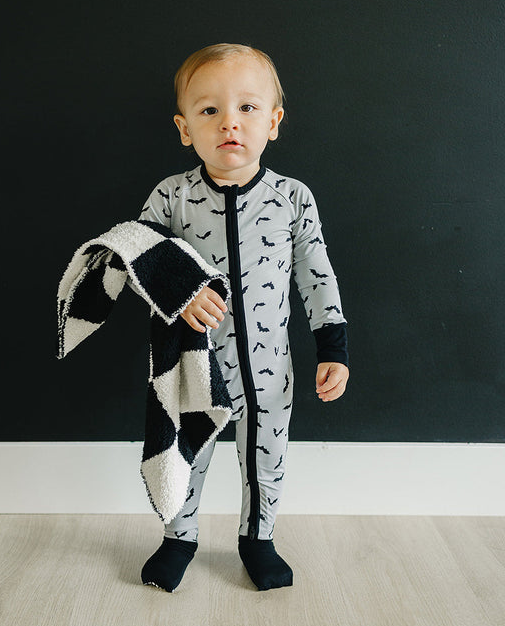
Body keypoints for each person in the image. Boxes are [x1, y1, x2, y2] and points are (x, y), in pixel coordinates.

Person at [138, 43, 349, 592]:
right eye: (210, 111)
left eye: (248, 108)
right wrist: (181, 294)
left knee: (266, 456)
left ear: (274, 122)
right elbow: (138, 256)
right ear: (185, 129)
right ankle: (178, 537)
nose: (230, 122)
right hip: (193, 364)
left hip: (269, 366)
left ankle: (259, 538)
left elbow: (317, 274)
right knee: (189, 452)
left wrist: (333, 350)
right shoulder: (172, 198)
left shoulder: (292, 199)